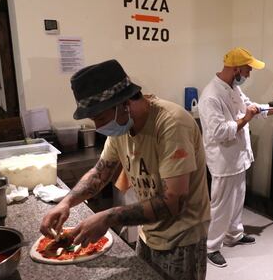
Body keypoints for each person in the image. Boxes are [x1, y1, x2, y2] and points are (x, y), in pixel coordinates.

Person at [40, 59, 211, 280]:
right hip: (149, 231)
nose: (99, 127)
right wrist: (66, 202)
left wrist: (108, 217)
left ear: (124, 102)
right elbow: (100, 173)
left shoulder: (171, 123)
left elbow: (173, 202)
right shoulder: (121, 129)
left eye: (100, 117)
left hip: (182, 238)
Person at [198, 47, 273, 268]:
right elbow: (219, 133)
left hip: (238, 157)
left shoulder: (232, 88)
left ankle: (234, 234)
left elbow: (252, 107)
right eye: (247, 70)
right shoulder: (211, 96)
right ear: (235, 68)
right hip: (223, 160)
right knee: (221, 205)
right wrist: (247, 119)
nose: (249, 75)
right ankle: (211, 247)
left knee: (237, 199)